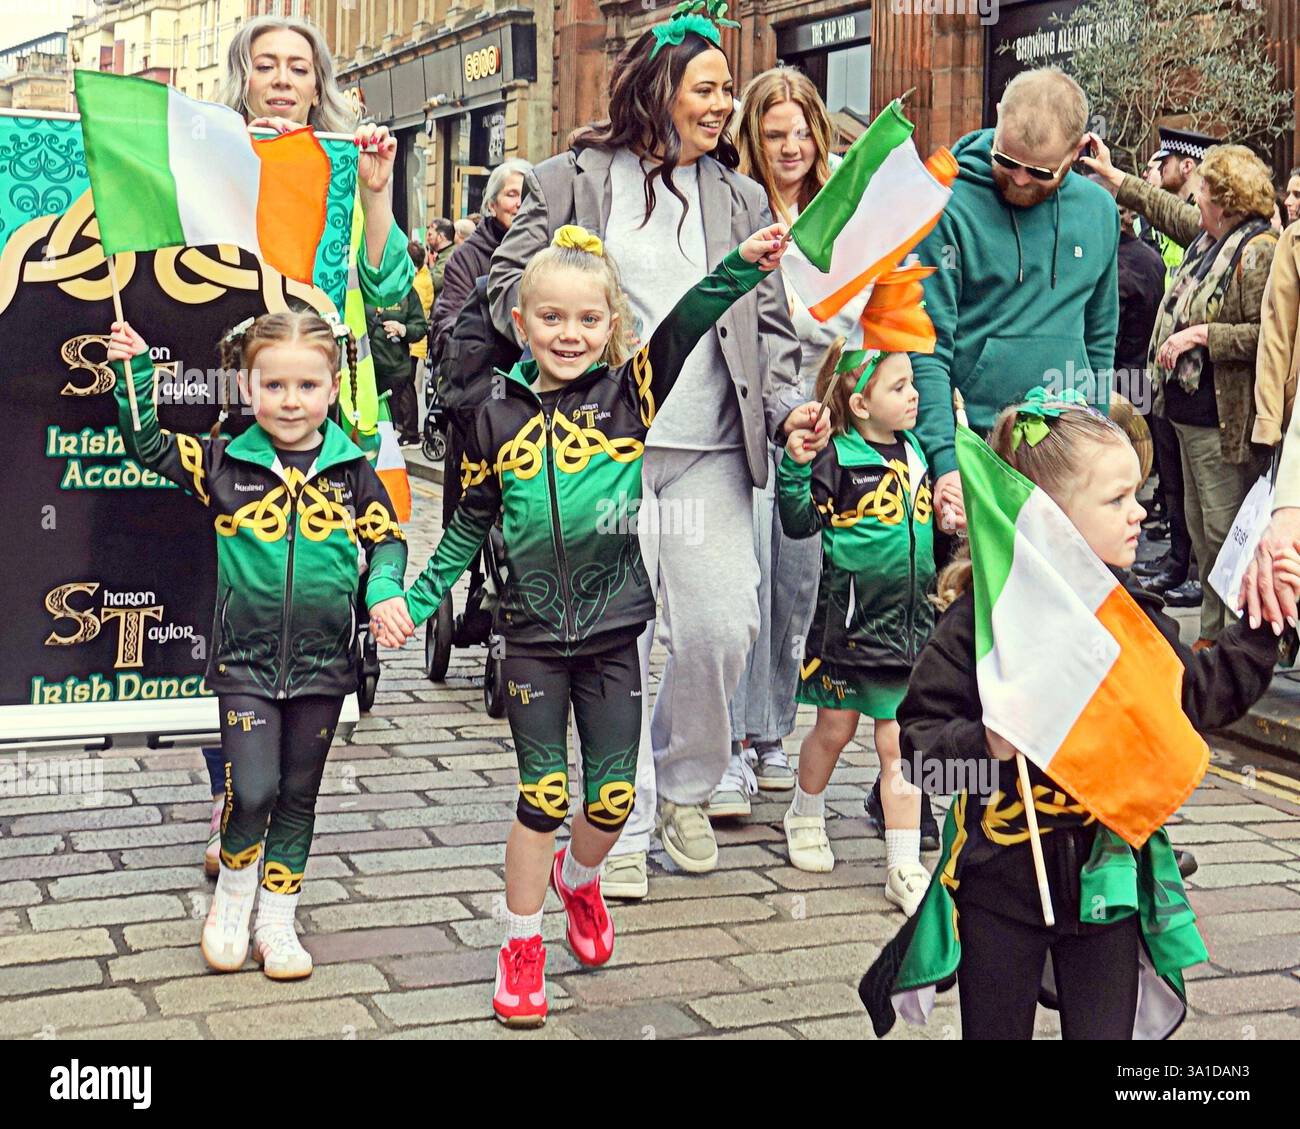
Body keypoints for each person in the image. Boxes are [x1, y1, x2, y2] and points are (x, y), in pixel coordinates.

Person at [386, 222, 794, 1027]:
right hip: (530, 639)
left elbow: (686, 321)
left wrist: (738, 267)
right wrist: (419, 596)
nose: (568, 335)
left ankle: (580, 877)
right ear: (522, 322)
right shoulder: (492, 415)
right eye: (551, 319)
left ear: (610, 325)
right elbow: (471, 519)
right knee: (542, 795)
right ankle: (521, 944)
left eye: (586, 320)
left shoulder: (628, 395)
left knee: (607, 801)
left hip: (612, 634)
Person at [488, 5, 819, 889]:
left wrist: (789, 409)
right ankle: (619, 821)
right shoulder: (572, 179)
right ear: (660, 89)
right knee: (614, 643)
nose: (724, 105)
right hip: (599, 454)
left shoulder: (742, 195)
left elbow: (776, 329)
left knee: (722, 625)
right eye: (707, 89)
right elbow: (498, 290)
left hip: (710, 450)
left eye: (725, 90)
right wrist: (556, 327)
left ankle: (683, 783)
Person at [861, 396, 1283, 1040]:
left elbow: (1201, 694)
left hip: (1103, 882)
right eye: (1117, 500)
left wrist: (1262, 621)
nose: (1141, 512)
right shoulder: (981, 623)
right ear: (1049, 520)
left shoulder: (1131, 616)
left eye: (1137, 494)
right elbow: (918, 751)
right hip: (998, 886)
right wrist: (989, 741)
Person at [108, 312, 410, 979]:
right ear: (249, 385)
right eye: (274, 385)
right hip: (244, 665)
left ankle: (278, 921)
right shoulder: (225, 462)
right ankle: (232, 902)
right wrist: (133, 369)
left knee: (299, 791)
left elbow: (387, 537)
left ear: (332, 387)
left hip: (325, 667)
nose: (291, 400)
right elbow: (149, 444)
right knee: (252, 790)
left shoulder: (352, 471)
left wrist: (385, 587)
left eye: (307, 384)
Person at [197, 11, 416, 875]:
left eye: (298, 66)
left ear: (317, 79)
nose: (282, 79)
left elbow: (386, 284)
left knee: (309, 585)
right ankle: (232, 789)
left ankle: (274, 798)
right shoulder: (209, 152)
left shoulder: (337, 163)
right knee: (232, 593)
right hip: (227, 400)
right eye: (266, 65)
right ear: (242, 75)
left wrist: (372, 192)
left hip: (322, 407)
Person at [715, 65, 851, 814]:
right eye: (775, 135)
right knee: (747, 577)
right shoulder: (736, 207)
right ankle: (732, 741)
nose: (791, 146)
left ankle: (771, 728)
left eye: (802, 132)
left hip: (818, 416)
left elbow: (858, 316)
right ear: (753, 141)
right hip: (748, 407)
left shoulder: (839, 213)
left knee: (799, 581)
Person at [1084, 135, 1279, 647]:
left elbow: (1269, 334)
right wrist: (1114, 175)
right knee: (1200, 527)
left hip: (1223, 421)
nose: (1195, 197)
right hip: (1187, 413)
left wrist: (1200, 335)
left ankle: (1231, 643)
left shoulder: (1257, 250)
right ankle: (1214, 639)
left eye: (1205, 189)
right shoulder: (1211, 237)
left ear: (1226, 197)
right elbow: (1163, 206)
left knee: (1223, 533)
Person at [910, 66, 1120, 538]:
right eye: (1006, 160)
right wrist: (944, 462)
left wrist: (1099, 437)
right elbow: (926, 347)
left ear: (1079, 150)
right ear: (997, 119)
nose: (1020, 180)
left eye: (1040, 171)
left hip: (1069, 457)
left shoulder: (1099, 211)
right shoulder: (945, 204)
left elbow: (1100, 339)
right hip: (977, 452)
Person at [776, 324, 935, 915]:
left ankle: (903, 861)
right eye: (900, 386)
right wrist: (796, 469)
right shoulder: (839, 459)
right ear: (860, 402)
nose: (914, 395)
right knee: (835, 729)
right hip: (847, 632)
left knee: (901, 745)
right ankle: (805, 811)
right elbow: (798, 522)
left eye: (913, 383)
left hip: (908, 633)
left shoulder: (918, 454)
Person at [429, 159, 531, 365]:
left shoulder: (549, 252)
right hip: (486, 376)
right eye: (512, 194)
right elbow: (448, 322)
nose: (521, 203)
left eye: (527, 195)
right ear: (492, 205)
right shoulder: (466, 258)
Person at [426, 218, 455, 295]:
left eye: (430, 235)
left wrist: (422, 264)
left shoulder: (449, 258)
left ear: (440, 237)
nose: (427, 239)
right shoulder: (444, 254)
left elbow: (434, 282)